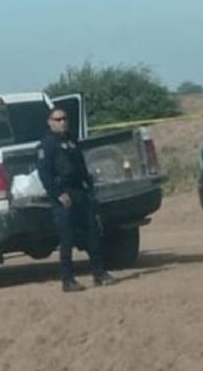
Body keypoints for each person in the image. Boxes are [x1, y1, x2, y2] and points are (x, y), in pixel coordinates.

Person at [37, 108, 116, 292]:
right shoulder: (46, 145)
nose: (62, 122)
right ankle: (68, 280)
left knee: (92, 233)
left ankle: (99, 273)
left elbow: (81, 165)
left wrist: (89, 186)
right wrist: (58, 194)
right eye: (57, 119)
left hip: (80, 192)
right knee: (67, 238)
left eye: (64, 118)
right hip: (63, 195)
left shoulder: (72, 141)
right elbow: (45, 174)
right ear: (50, 122)